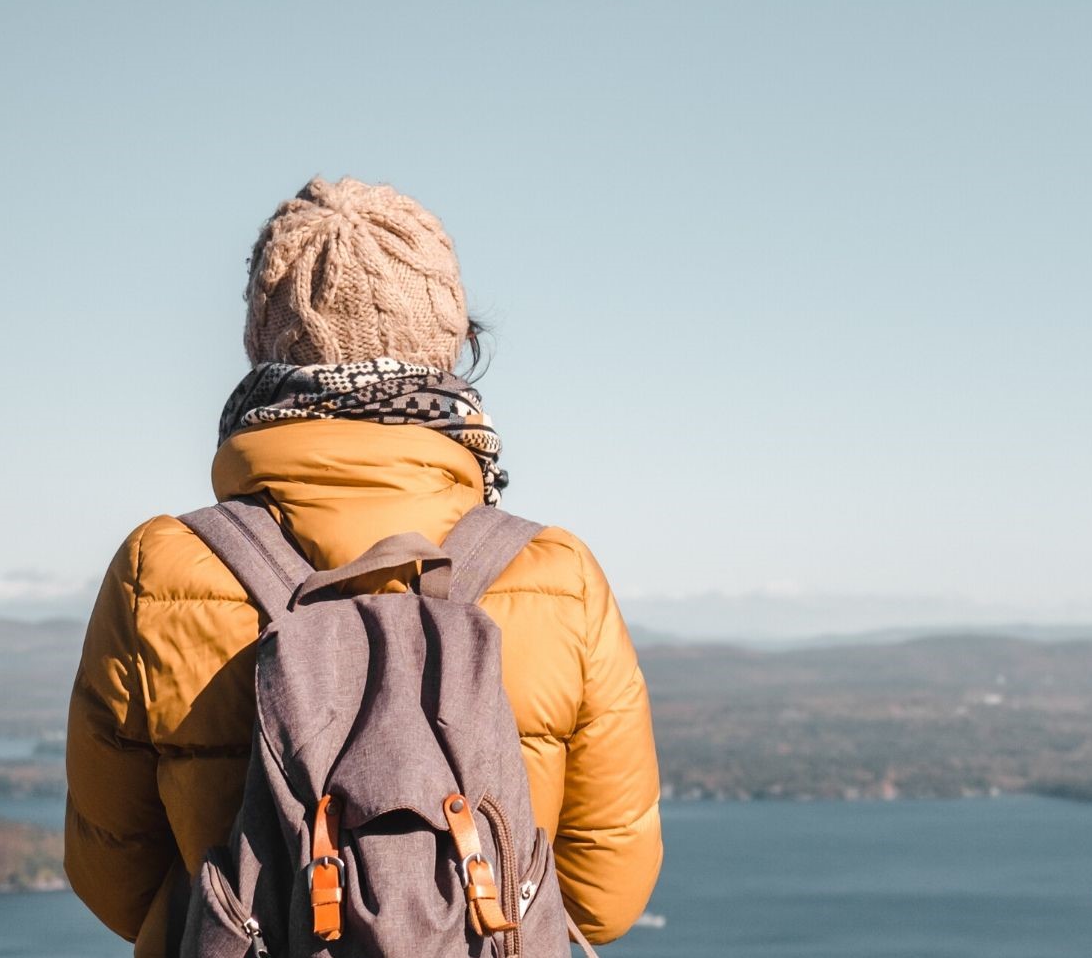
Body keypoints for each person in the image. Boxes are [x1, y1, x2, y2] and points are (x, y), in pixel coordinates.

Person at [62, 176, 663, 956]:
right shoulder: (556, 574)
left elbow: (115, 878)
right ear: (448, 339)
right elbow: (602, 897)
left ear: (263, 341)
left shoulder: (160, 569)